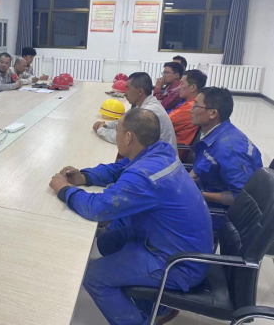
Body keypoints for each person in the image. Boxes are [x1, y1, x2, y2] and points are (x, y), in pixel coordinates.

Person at [49, 109, 213, 325]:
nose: (116, 135)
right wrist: (85, 176)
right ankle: (157, 307)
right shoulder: (159, 152)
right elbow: (121, 169)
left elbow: (98, 209)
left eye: (118, 131)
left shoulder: (145, 175)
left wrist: (64, 190)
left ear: (128, 137)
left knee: (94, 277)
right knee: (107, 242)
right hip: (177, 242)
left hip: (179, 263)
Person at [190, 87, 262, 223]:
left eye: (195, 106)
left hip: (219, 215)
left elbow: (241, 197)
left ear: (212, 113)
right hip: (206, 194)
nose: (191, 110)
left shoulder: (230, 149)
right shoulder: (214, 134)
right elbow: (202, 165)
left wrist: (199, 195)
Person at [93, 72, 177, 152]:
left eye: (128, 89)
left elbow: (126, 139)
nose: (125, 93)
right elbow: (125, 121)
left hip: (160, 159)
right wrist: (106, 125)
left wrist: (100, 130)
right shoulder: (144, 104)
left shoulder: (148, 112)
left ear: (140, 91)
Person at [168, 70, 207, 149]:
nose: (178, 87)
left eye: (182, 83)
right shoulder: (189, 103)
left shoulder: (189, 108)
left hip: (171, 149)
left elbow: (162, 122)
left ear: (193, 88)